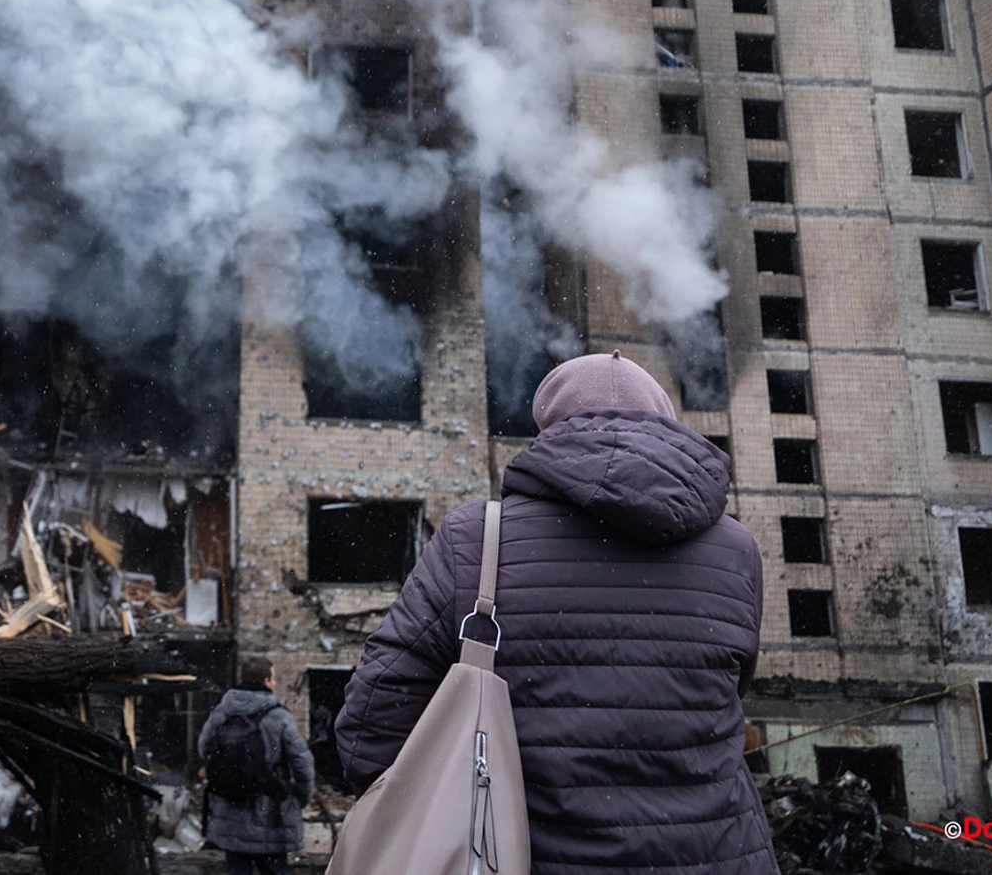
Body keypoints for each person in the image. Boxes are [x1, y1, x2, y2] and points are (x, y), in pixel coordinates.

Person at [336, 351, 776, 875]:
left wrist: (445, 806)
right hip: (716, 855)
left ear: (548, 424)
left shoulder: (478, 539)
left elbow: (370, 721)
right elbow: (727, 693)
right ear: (666, 422)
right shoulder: (737, 551)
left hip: (527, 857)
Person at [198, 657, 316, 875]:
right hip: (270, 813)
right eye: (274, 678)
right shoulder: (279, 716)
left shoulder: (223, 712)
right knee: (274, 869)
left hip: (231, 810)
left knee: (237, 869)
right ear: (266, 680)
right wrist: (300, 796)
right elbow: (302, 763)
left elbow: (203, 747)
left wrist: (233, 775)